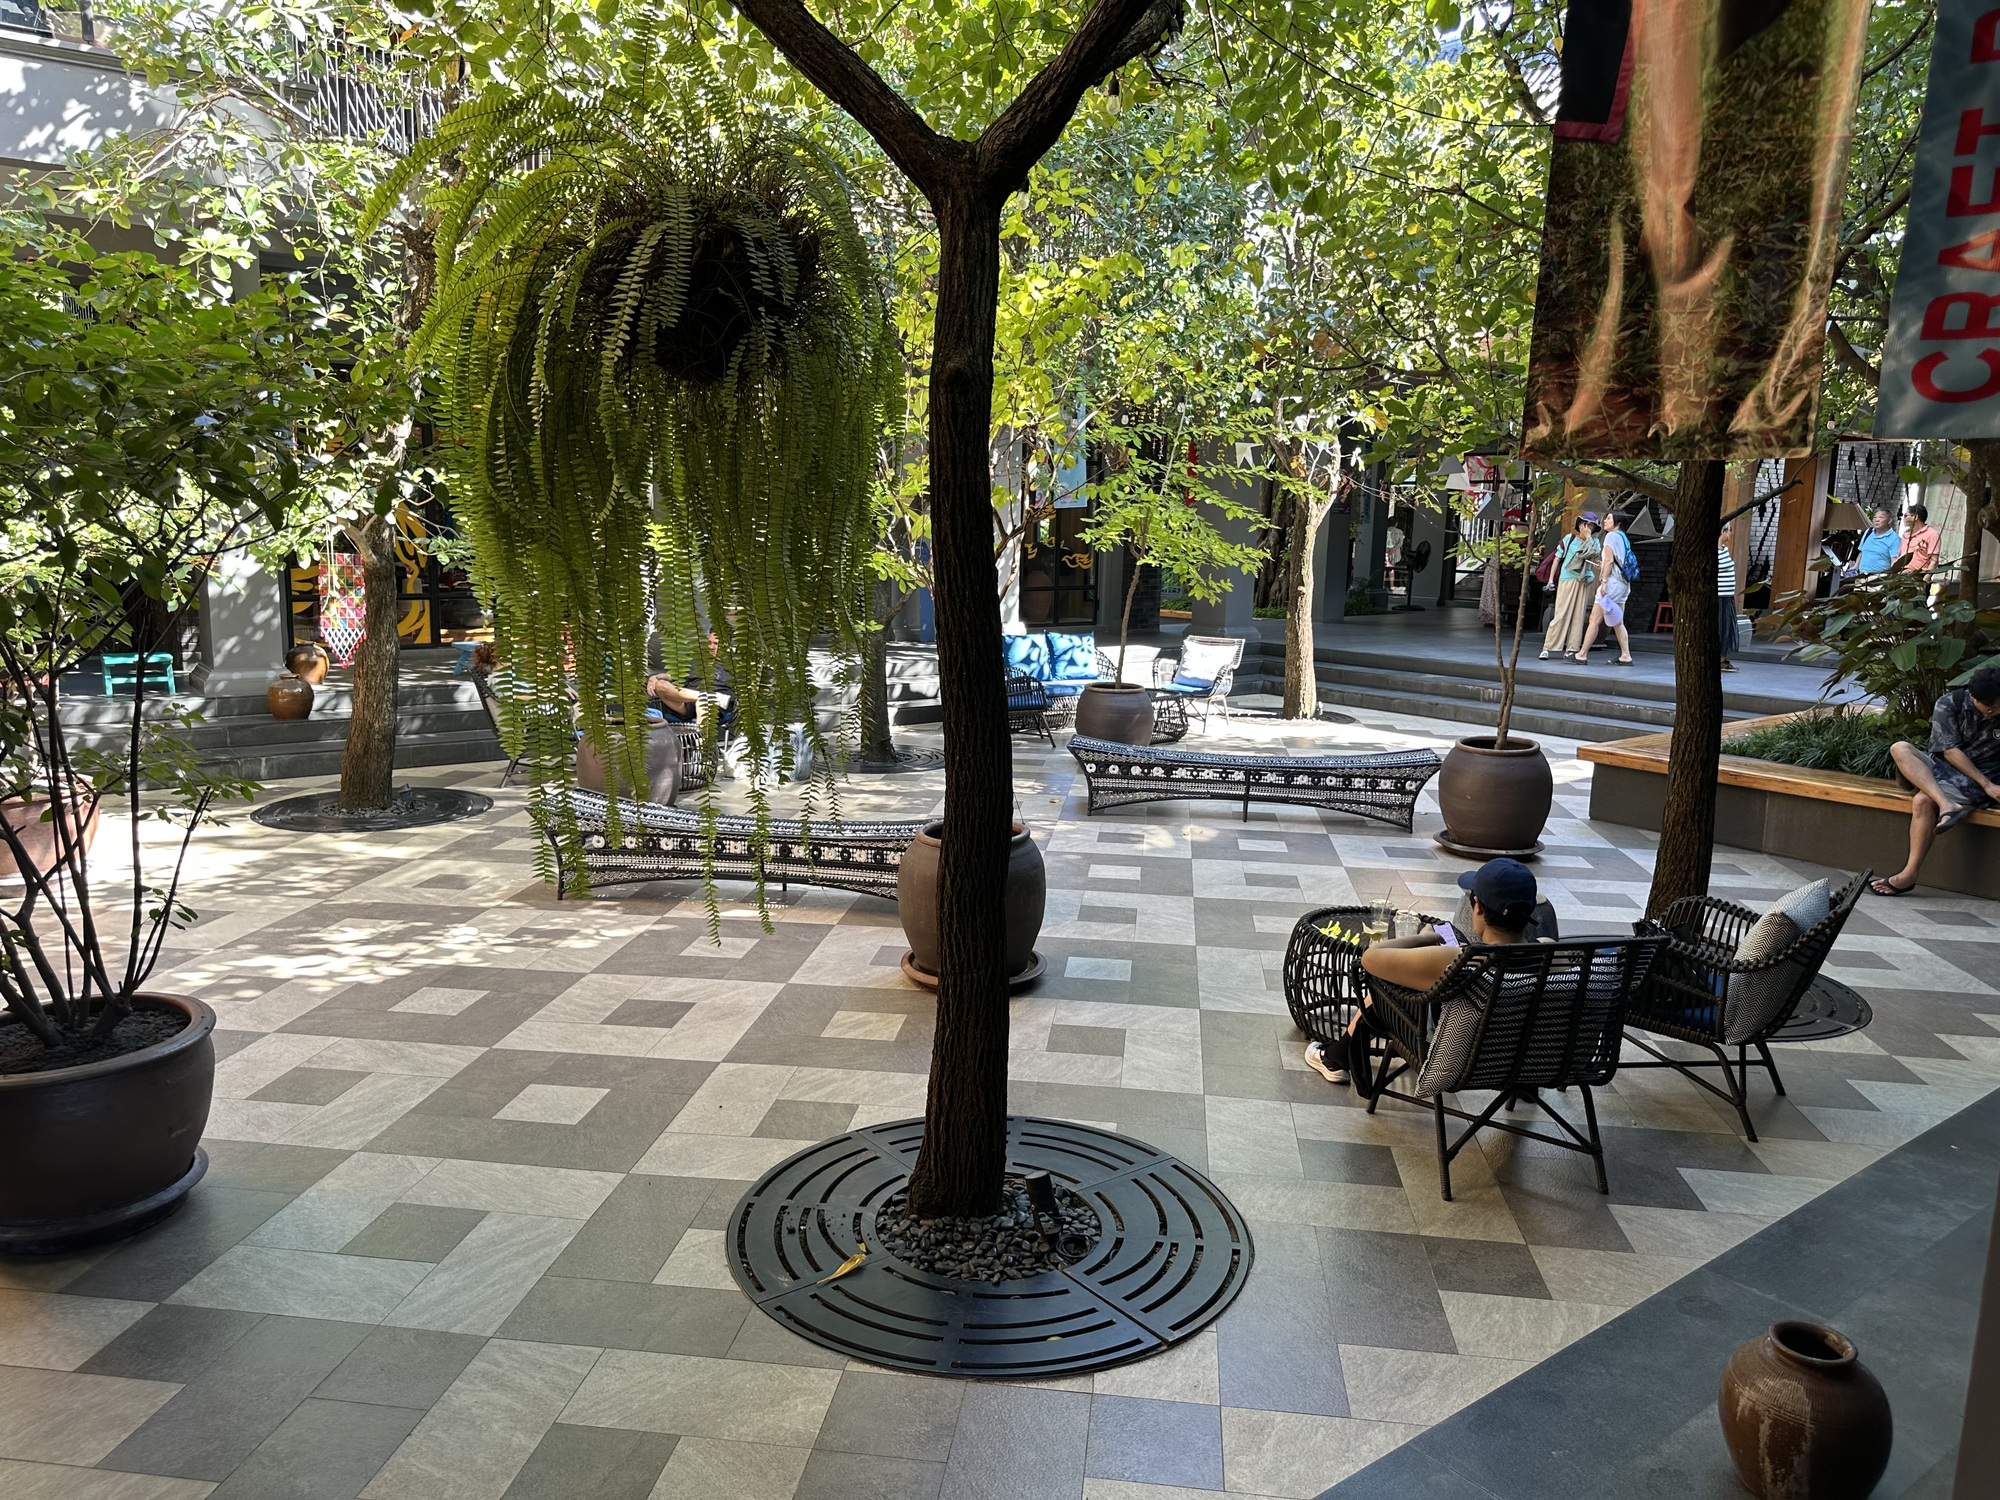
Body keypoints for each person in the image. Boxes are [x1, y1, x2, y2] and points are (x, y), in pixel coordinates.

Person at [1302, 859, 1540, 1084]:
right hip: (1524, 1061)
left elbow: (1371, 958)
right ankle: (1525, 1088)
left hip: (1456, 1058)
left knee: (1383, 985)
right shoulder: (1553, 958)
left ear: (1477, 907)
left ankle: (1336, 1057)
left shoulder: (1459, 960)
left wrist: (1426, 938)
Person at [1871, 665, 2000, 897]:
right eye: (1991, 708)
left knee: (1922, 801)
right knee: (1900, 748)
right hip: (1946, 766)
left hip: (1977, 779)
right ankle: (1946, 804)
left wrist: (1989, 785)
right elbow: (1949, 751)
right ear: (1973, 697)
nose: (1996, 711)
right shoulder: (1950, 703)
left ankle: (1909, 874)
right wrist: (1987, 785)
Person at [1573, 509, 1636, 665]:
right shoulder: (1623, 537)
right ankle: (1625, 655)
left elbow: (1609, 561)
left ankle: (1581, 655)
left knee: (1594, 619)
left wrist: (1604, 581)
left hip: (1612, 584)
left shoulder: (1611, 536)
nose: (1605, 521)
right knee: (1618, 621)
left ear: (1617, 522)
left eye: (1609, 518)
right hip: (1623, 584)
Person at [1539, 516, 1600, 660]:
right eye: (1585, 524)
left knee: (1578, 616)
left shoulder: (1595, 542)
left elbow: (1594, 553)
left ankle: (1572, 649)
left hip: (1583, 580)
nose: (1587, 528)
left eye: (1591, 526)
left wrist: (1588, 537)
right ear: (1579, 525)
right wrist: (1550, 580)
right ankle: (1548, 647)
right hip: (1567, 578)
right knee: (1561, 613)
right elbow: (1557, 559)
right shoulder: (1569, 539)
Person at [1901, 504, 1943, 576]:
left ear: (1915, 517)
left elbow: (1934, 561)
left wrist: (1925, 579)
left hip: (1918, 576)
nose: (1903, 519)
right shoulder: (1906, 535)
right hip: (1901, 576)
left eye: (1905, 516)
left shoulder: (1932, 534)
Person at [1856, 507, 1899, 577]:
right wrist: (1855, 566)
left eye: (1881, 518)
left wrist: (1892, 578)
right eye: (1875, 517)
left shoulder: (1894, 538)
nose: (1877, 520)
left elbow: (1894, 560)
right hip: (1862, 575)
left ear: (1889, 521)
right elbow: (1862, 552)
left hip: (1880, 577)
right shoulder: (1868, 532)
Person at [1716, 540, 1739, 672]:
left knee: (1727, 628)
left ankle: (1722, 658)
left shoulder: (1724, 549)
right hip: (1719, 596)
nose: (1730, 533)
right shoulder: (1714, 551)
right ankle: (1718, 659)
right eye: (1728, 531)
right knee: (1720, 627)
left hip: (1727, 596)